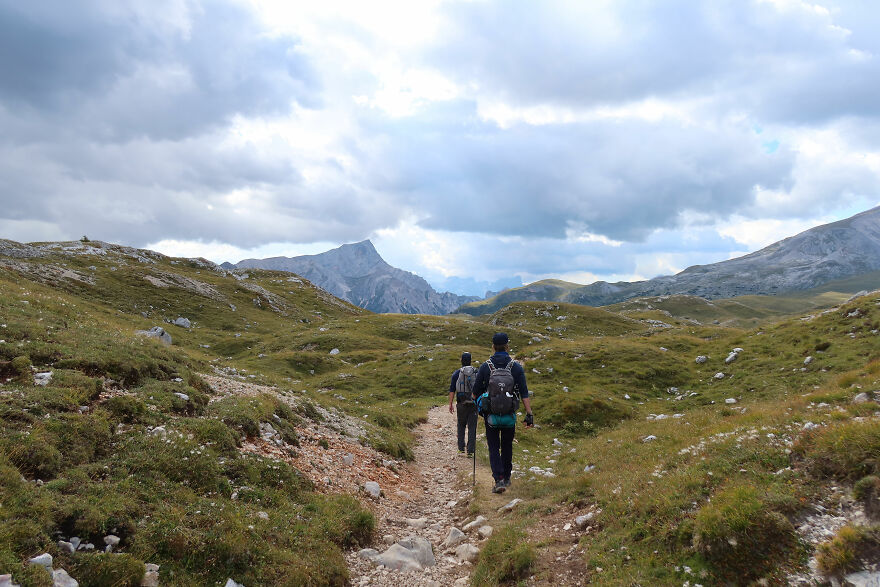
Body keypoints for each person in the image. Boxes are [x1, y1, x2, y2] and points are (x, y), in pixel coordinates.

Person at [472, 332, 533, 494]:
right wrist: (529, 414)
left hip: (490, 415)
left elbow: (475, 392)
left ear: (493, 346)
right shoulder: (516, 367)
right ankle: (506, 477)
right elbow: (524, 393)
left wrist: (479, 405)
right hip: (509, 415)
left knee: (493, 447)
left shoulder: (486, 367)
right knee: (507, 446)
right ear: (507, 346)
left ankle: (498, 480)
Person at [449, 352, 478, 456]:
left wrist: (451, 403)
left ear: (461, 360)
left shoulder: (457, 373)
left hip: (461, 403)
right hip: (473, 404)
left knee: (461, 425)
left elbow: (452, 389)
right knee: (472, 427)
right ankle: (470, 451)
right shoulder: (476, 372)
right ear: (470, 360)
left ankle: (461, 449)